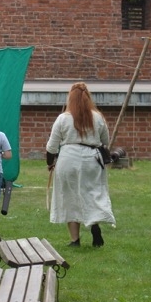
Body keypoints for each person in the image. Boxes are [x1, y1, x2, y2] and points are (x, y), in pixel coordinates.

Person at [45, 82, 114, 248]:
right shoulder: (98, 117)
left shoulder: (63, 118)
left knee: (69, 197)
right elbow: (105, 141)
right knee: (92, 193)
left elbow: (51, 146)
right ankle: (94, 224)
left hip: (68, 160)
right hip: (92, 160)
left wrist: (50, 163)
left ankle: (75, 240)